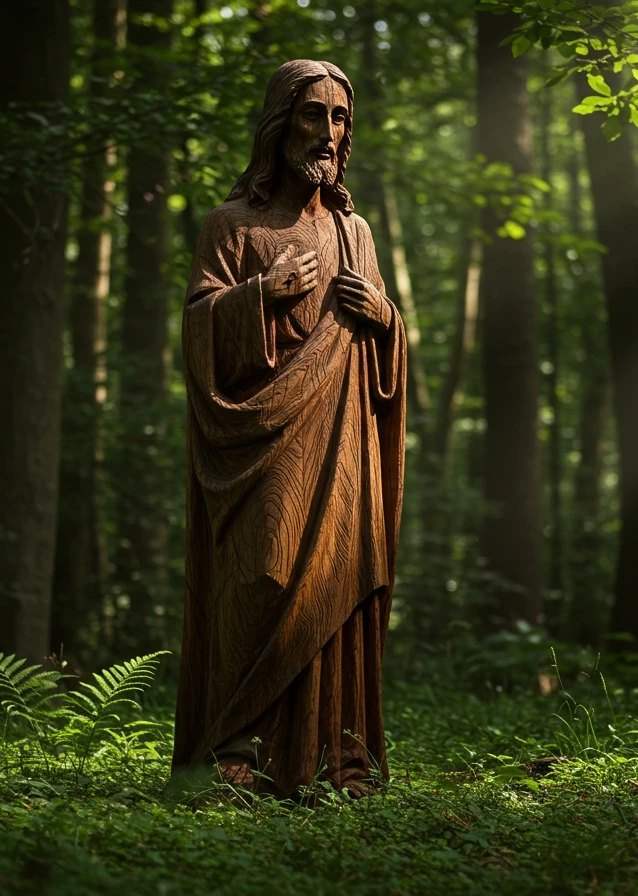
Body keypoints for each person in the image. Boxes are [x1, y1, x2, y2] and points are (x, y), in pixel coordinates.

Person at [171, 59, 406, 802]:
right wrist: (255, 299)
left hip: (345, 451)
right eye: (313, 115)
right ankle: (233, 751)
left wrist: (388, 322)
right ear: (280, 124)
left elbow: (384, 352)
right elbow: (196, 329)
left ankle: (337, 757)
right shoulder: (232, 226)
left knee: (338, 586)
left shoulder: (355, 230)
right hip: (262, 444)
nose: (329, 133)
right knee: (263, 576)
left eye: (340, 118)